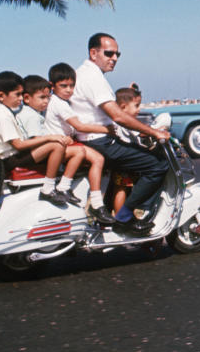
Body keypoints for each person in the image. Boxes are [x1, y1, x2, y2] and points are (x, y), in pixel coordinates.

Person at [70, 33, 170, 235]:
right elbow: (118, 116)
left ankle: (111, 212)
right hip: (100, 141)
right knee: (158, 164)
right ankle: (124, 218)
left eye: (117, 54)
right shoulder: (92, 77)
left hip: (93, 140)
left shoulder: (84, 73)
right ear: (93, 52)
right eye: (109, 53)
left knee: (132, 163)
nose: (114, 58)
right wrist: (153, 131)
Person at [0, 71, 71, 208]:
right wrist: (49, 138)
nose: (21, 98)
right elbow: (19, 145)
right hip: (9, 160)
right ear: (1, 96)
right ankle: (48, 188)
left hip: (7, 158)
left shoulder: (1, 111)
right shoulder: (3, 116)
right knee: (57, 146)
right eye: (17, 94)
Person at [44, 63, 116, 224]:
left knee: (98, 160)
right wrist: (107, 129)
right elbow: (80, 126)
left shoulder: (57, 101)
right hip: (60, 147)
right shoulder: (60, 104)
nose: (69, 90)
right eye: (63, 86)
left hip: (65, 143)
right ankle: (94, 203)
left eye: (72, 86)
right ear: (52, 86)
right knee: (98, 159)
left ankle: (78, 193)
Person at [107, 86, 145, 214]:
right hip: (125, 161)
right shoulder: (125, 122)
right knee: (121, 189)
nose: (139, 109)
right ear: (123, 107)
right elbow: (139, 133)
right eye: (136, 105)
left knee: (121, 189)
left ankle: (119, 215)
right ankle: (120, 218)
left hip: (123, 160)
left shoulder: (121, 120)